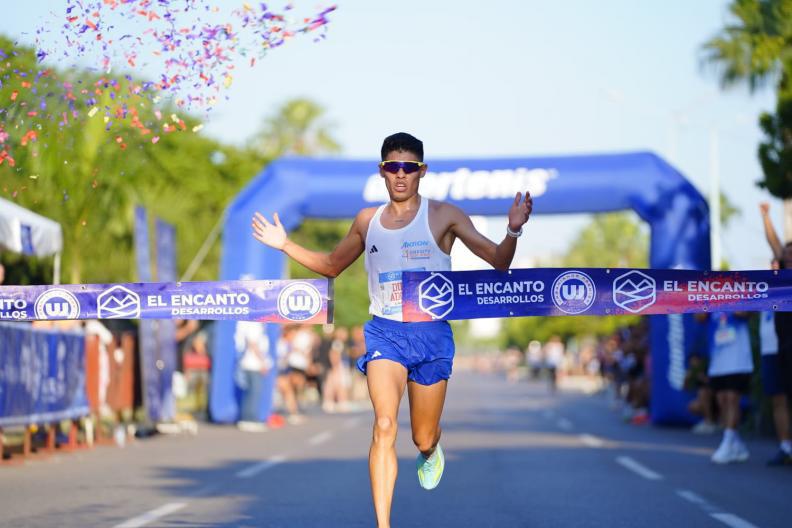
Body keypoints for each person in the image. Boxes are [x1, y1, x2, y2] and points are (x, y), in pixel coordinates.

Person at [252, 132, 532, 527]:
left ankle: (431, 448)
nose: (401, 175)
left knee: (422, 436)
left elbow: (499, 261)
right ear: (382, 171)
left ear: (422, 172)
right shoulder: (368, 221)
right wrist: (285, 245)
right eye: (393, 167)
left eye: (409, 168)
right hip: (386, 333)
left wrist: (514, 230)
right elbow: (332, 265)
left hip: (432, 334)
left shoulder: (445, 215)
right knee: (384, 424)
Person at [759, 203, 792, 465]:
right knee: (779, 397)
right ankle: (785, 446)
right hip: (780, 348)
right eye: (786, 255)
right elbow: (775, 243)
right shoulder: (779, 281)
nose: (789, 257)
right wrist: (766, 217)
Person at [704, 311, 754, 464]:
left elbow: (745, 313)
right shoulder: (710, 294)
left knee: (732, 398)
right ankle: (736, 444)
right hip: (718, 359)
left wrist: (726, 300)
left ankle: (727, 442)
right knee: (721, 400)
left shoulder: (738, 290)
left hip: (737, 358)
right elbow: (698, 316)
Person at [234, 321, 272, 432]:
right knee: (254, 393)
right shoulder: (254, 325)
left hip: (252, 364)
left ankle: (249, 419)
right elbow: (252, 344)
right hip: (253, 364)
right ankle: (250, 420)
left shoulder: (257, 326)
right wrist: (263, 362)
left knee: (251, 393)